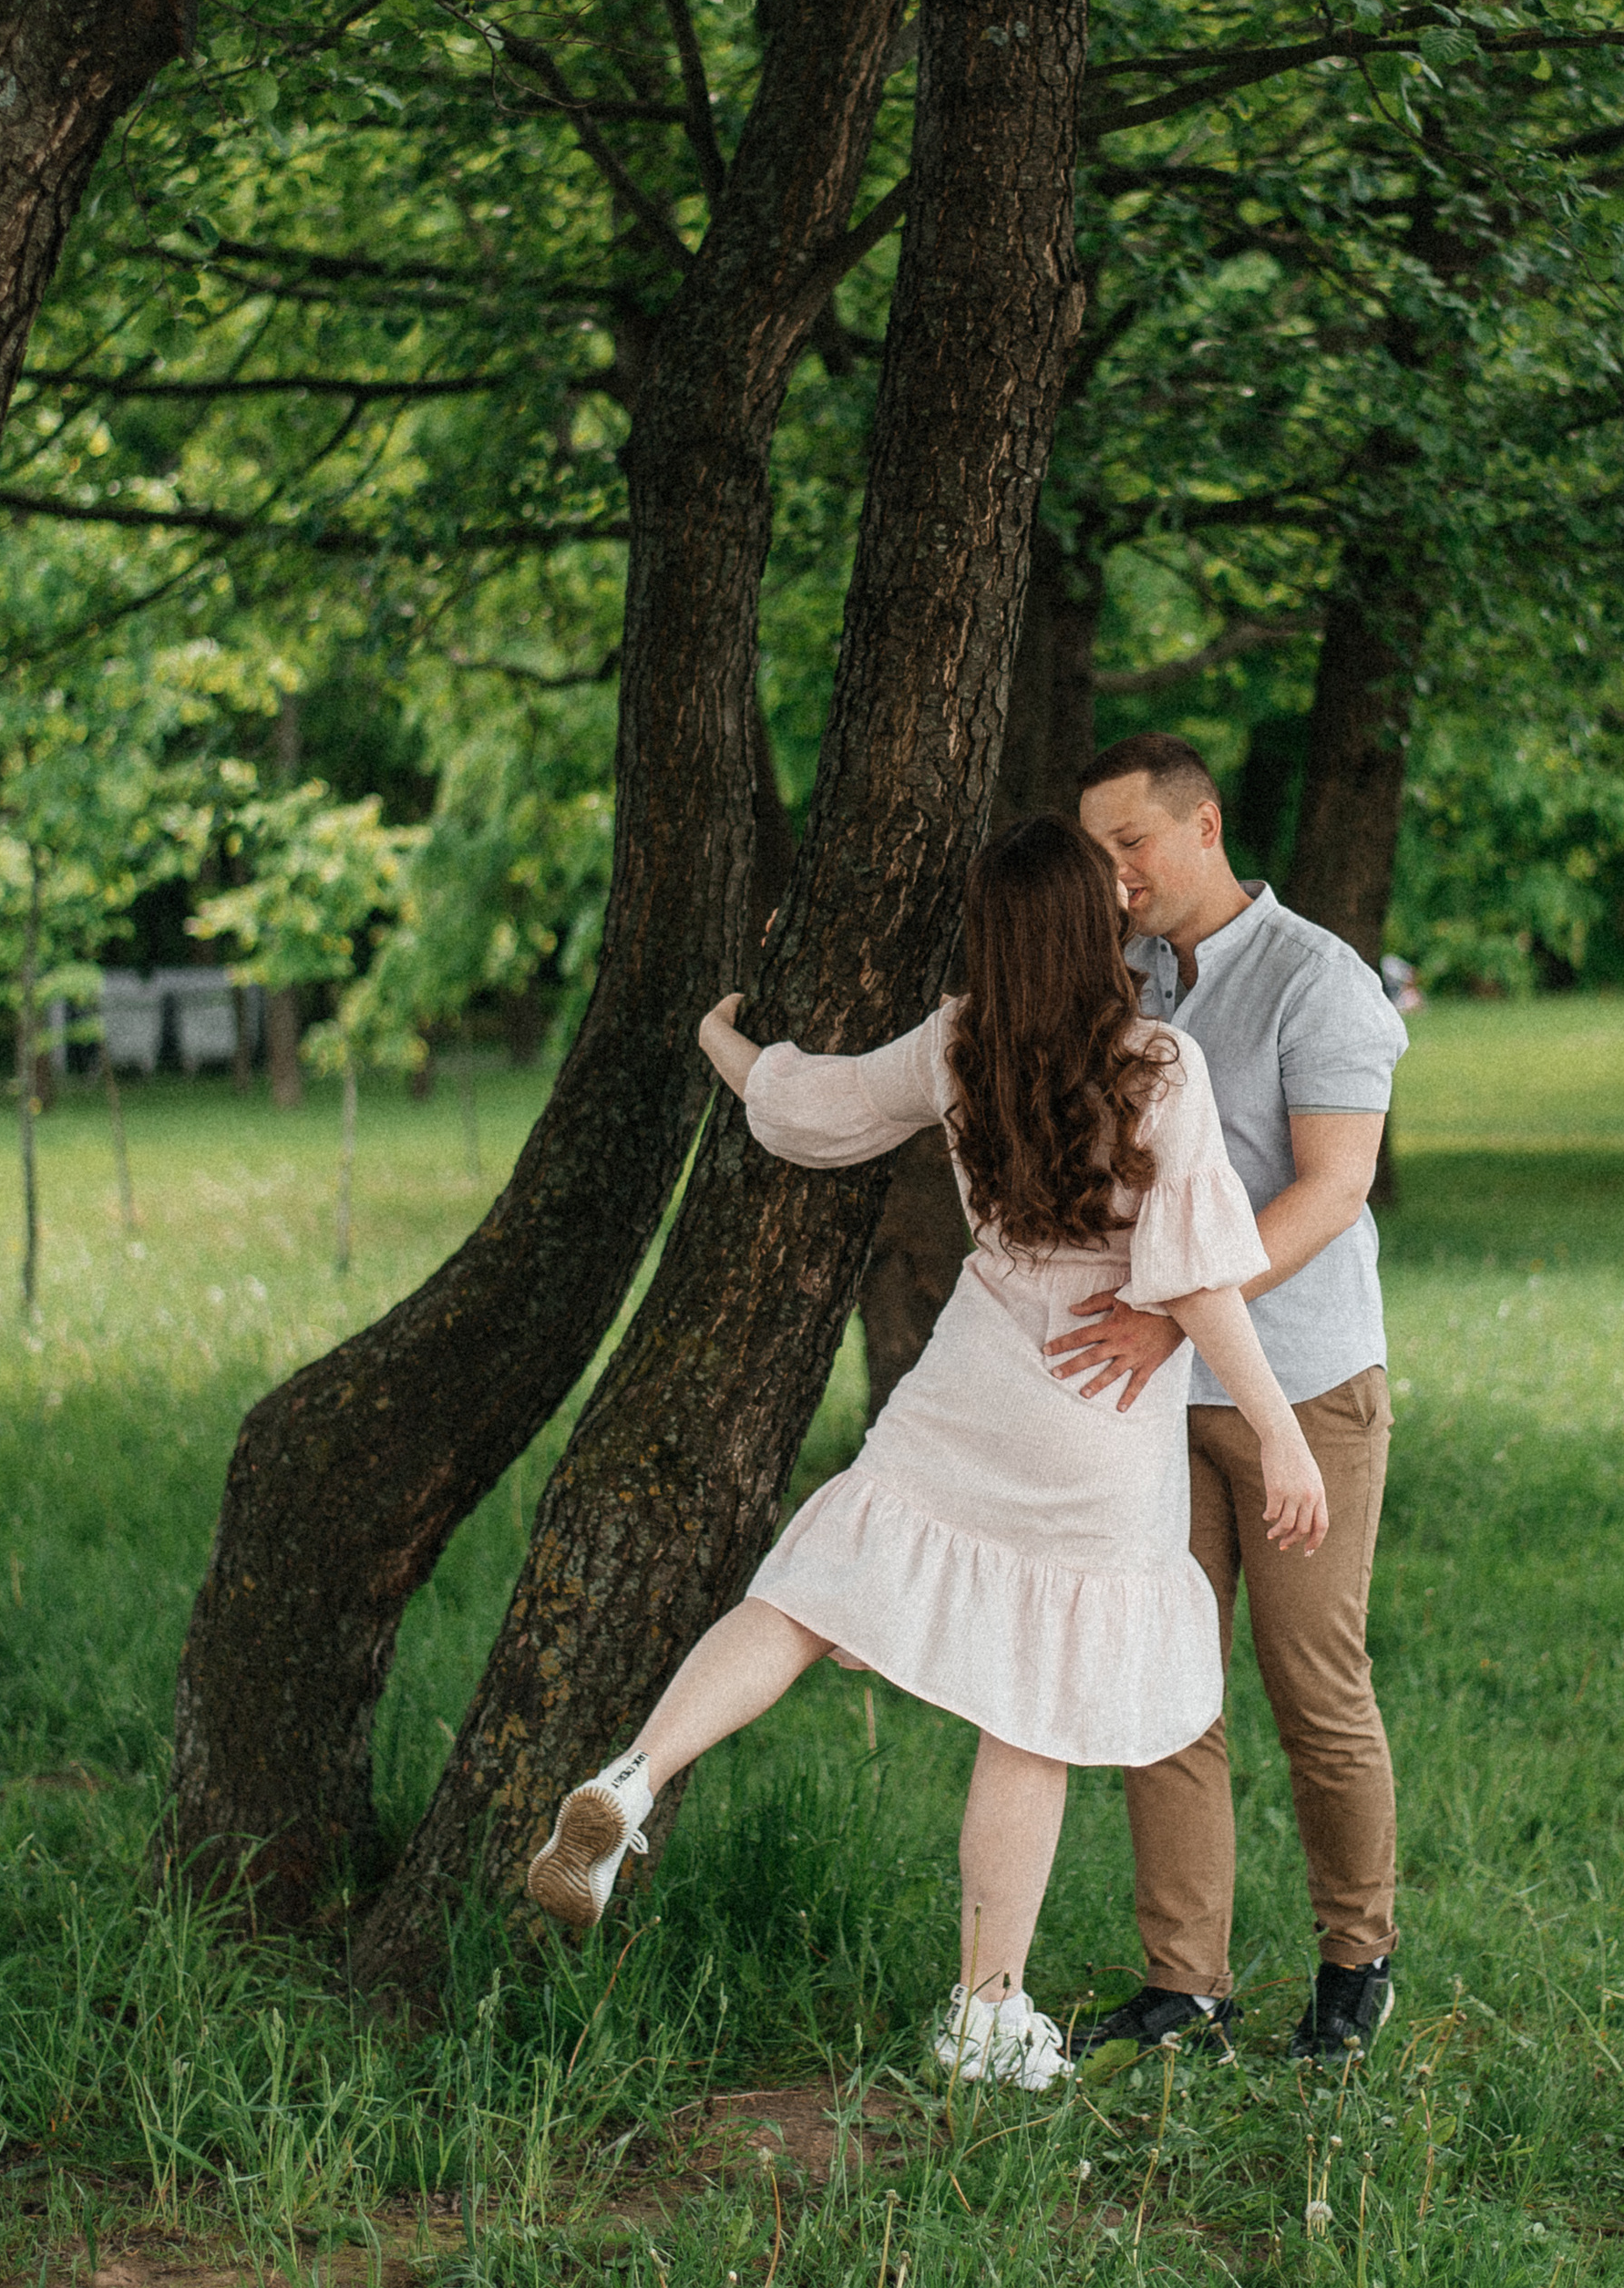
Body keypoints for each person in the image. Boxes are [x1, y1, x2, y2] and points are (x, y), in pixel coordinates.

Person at [524, 812, 1328, 2092]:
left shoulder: (959, 1043)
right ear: (1097, 924)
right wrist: (1283, 1440)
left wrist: (721, 1039)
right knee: (1034, 1717)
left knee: (802, 1596)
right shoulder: (1158, 1066)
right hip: (1096, 1422)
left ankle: (634, 1774)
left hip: (966, 1386)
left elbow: (815, 1105)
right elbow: (1202, 1281)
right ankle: (983, 2010)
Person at [1056, 735, 1411, 2066]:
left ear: (1203, 829)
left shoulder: (1317, 980)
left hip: (1303, 1385)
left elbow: (1332, 1187)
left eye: (1129, 847)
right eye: (1094, 854)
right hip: (1154, 1397)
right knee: (1167, 1685)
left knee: (1313, 1683)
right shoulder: (1126, 980)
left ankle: (1354, 1959)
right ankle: (1183, 1988)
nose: (1114, 877)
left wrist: (1172, 1306)